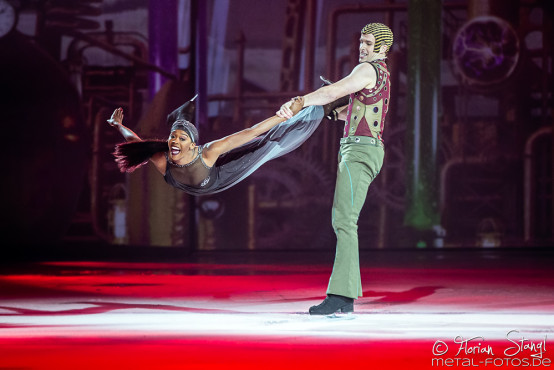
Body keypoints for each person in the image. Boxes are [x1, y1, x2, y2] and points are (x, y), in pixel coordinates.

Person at [277, 22, 394, 315]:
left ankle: (341, 295)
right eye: (361, 42)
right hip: (361, 149)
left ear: (382, 48)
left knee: (344, 221)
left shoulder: (368, 70)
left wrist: (302, 101)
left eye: (369, 43)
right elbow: (351, 112)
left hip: (359, 151)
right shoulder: (380, 75)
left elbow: (336, 91)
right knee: (345, 220)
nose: (363, 48)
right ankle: (345, 295)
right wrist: (332, 113)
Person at [108, 95, 325, 195]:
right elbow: (136, 143)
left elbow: (252, 132)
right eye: (173, 137)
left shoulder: (209, 152)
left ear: (194, 146)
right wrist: (118, 125)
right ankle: (182, 112)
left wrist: (283, 115)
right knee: (264, 143)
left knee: (265, 144)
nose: (174, 141)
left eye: (182, 139)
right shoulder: (162, 160)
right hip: (206, 182)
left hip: (222, 174)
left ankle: (319, 106)